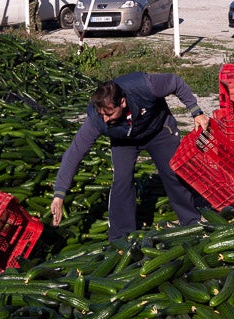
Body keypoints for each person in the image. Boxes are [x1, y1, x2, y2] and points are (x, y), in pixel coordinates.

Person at [50, 73, 209, 242]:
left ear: (123, 102)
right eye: (102, 114)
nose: (105, 119)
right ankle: (121, 236)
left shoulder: (144, 86)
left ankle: (190, 221)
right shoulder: (97, 119)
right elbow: (74, 152)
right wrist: (59, 194)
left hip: (158, 130)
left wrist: (196, 111)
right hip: (124, 141)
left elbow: (176, 82)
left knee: (173, 172)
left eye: (109, 114)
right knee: (122, 180)